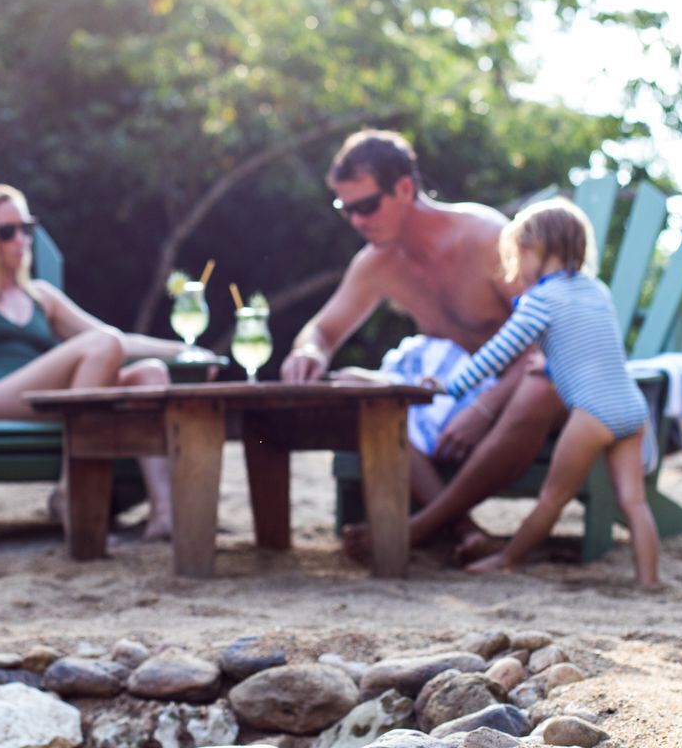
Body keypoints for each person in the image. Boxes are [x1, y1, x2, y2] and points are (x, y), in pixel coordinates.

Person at [280, 129, 566, 559]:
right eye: (346, 209)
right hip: (453, 394)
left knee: (544, 382)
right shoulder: (378, 264)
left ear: (405, 189)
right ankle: (464, 529)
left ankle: (422, 526)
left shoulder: (486, 239)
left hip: (525, 386)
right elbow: (321, 331)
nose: (357, 220)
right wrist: (309, 352)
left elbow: (552, 342)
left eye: (367, 206)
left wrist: (484, 408)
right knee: (364, 394)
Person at [0, 184, 203, 540]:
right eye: (7, 232)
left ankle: (165, 515)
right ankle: (69, 492)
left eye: (26, 228)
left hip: (52, 402)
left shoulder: (42, 297)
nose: (20, 239)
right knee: (105, 345)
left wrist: (185, 351)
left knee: (151, 373)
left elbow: (123, 341)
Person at [434, 199, 660, 586]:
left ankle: (507, 560)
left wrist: (451, 386)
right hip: (632, 408)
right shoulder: (598, 291)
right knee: (635, 502)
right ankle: (649, 580)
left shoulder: (540, 302)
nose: (517, 266)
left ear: (538, 249)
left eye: (519, 254)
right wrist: (553, 363)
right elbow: (588, 347)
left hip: (592, 414)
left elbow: (497, 354)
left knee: (552, 498)